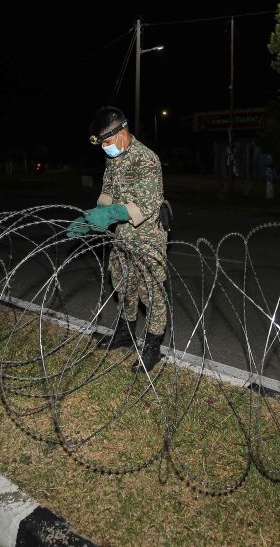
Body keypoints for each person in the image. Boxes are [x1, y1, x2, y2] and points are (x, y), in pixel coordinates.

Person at [66, 106, 169, 373]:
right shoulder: (114, 158)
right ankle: (125, 332)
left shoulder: (146, 159)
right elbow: (108, 192)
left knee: (151, 291)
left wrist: (110, 214)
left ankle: (153, 346)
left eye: (108, 142)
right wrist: (93, 217)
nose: (106, 148)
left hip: (147, 238)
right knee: (123, 284)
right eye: (102, 144)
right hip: (122, 235)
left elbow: (146, 206)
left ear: (122, 132)